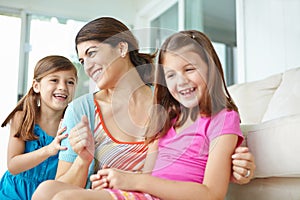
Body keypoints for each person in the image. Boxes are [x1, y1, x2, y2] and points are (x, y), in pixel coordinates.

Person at [32, 17, 255, 200]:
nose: (87, 66)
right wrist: (88, 162)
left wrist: (240, 168)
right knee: (45, 191)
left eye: (92, 53)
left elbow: (211, 176)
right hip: (136, 190)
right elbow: (150, 168)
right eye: (82, 60)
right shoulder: (83, 110)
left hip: (146, 190)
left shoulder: (169, 103)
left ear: (121, 48)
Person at [0, 55, 78, 200]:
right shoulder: (22, 118)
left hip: (49, 195)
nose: (63, 87)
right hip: (13, 193)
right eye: (54, 80)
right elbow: (13, 165)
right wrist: (49, 150)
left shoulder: (74, 126)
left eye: (70, 82)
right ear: (37, 86)